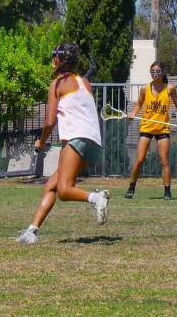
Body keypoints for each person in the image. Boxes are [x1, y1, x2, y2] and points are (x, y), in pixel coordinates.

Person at [17, 42, 110, 244]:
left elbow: (50, 121)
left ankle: (96, 198)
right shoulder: (85, 81)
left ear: (59, 60)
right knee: (52, 185)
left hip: (76, 139)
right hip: (94, 144)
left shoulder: (56, 84)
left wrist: (40, 142)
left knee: (65, 191)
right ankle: (31, 232)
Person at [125, 61, 177, 200]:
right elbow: (139, 104)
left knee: (164, 160)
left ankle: (167, 192)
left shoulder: (170, 88)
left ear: (163, 73)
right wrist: (133, 114)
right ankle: (131, 187)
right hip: (147, 126)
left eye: (158, 72)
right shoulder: (145, 88)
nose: (155, 75)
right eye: (153, 72)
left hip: (163, 128)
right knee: (140, 159)